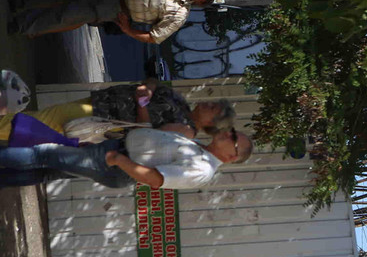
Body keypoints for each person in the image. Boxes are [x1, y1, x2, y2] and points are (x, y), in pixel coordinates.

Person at [0, 125, 253, 189]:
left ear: (231, 158)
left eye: (233, 140)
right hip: (115, 150)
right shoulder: (200, 148)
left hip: (116, 163)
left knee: (45, 153)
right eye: (232, 132)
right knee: (50, 170)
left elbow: (156, 179)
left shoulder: (203, 170)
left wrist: (119, 160)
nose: (228, 134)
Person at [0, 80, 235, 142]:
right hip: (102, 100)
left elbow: (147, 132)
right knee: (41, 123)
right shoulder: (182, 103)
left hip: (102, 117)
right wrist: (149, 88)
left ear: (211, 123)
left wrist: (142, 105)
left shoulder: (187, 131)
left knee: (40, 122)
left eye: (211, 108)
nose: (206, 103)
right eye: (211, 102)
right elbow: (153, 80)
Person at [12, 0, 216, 43]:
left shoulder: (180, 14)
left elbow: (155, 37)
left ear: (201, 1)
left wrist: (128, 29)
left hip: (114, 8)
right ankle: (18, 0)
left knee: (66, 16)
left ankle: (20, 26)